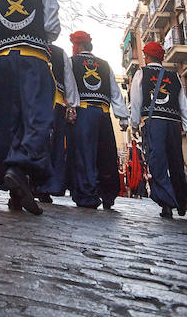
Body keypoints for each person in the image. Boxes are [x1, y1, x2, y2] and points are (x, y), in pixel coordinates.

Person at [0, 0, 61, 215]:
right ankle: (19, 170)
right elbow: (52, 30)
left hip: (4, 62)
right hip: (34, 61)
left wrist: (8, 44)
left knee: (7, 122)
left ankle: (15, 191)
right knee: (36, 119)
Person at [68, 30, 129, 210]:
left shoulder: (71, 62)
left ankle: (87, 196)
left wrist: (70, 107)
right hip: (104, 114)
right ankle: (108, 195)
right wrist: (123, 118)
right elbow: (115, 92)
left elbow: (69, 87)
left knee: (84, 155)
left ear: (77, 46)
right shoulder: (104, 65)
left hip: (83, 113)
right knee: (106, 155)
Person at [129, 40, 187, 219]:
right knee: (176, 162)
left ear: (146, 56)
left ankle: (167, 203)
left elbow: (136, 99)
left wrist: (134, 123)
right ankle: (182, 202)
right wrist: (185, 124)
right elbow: (183, 103)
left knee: (158, 163)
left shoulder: (142, 73)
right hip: (173, 124)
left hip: (154, 123)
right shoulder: (175, 76)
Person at [35, 41, 79, 203]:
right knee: (54, 148)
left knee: (35, 143)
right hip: (57, 105)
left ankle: (31, 183)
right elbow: (69, 82)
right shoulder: (61, 53)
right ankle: (47, 187)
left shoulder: (33, 45)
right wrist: (72, 106)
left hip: (34, 102)